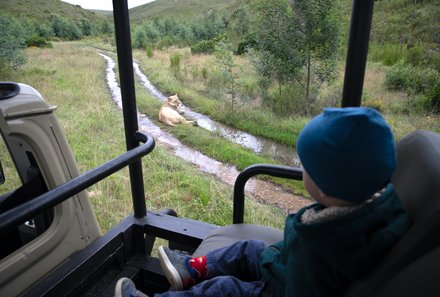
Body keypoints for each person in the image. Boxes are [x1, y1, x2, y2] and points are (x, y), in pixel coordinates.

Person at [115, 107, 411, 297]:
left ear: (323, 186)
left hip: (279, 288)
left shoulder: (323, 245)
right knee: (249, 249)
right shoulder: (371, 207)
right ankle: (192, 269)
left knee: (224, 289)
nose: (301, 170)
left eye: (305, 166)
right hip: (284, 265)